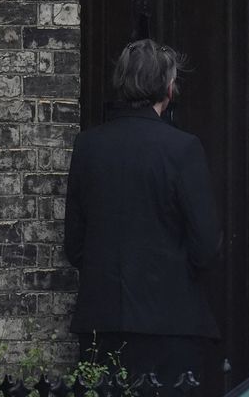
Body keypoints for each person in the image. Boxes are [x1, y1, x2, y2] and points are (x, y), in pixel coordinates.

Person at [64, 39, 221, 384]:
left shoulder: (88, 147)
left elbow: (74, 245)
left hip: (102, 322)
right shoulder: (182, 148)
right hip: (170, 323)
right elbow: (206, 244)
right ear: (168, 87)